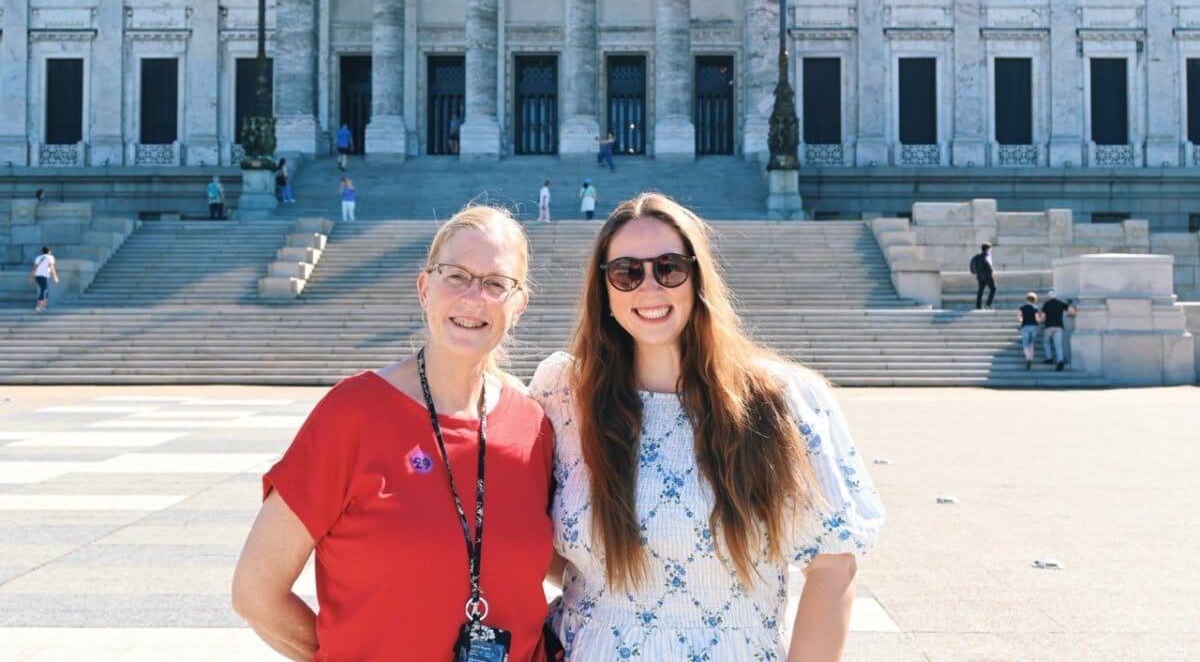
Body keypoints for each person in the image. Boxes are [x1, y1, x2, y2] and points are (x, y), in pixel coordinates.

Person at [529, 192, 884, 660]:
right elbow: (542, 541)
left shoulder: (780, 400)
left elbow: (833, 567)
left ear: (697, 277)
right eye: (627, 272)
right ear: (605, 290)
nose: (649, 287)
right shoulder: (563, 392)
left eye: (669, 267)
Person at [233, 205, 554, 661]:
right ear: (425, 288)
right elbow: (256, 593)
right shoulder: (353, 414)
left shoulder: (532, 426)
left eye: (495, 283)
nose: (473, 297)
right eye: (456, 276)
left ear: (518, 305)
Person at [1038, 288, 1076, 371]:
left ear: (1049, 296)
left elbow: (1043, 316)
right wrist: (1071, 315)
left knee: (1046, 342)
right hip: (1059, 326)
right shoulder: (1060, 303)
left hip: (1049, 326)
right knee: (1058, 345)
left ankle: (1049, 358)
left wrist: (1038, 322)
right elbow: (1071, 310)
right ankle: (1060, 361)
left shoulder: (1046, 304)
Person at [28, 245, 59, 313]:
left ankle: (44, 305)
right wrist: (55, 277)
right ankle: (39, 305)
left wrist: (31, 276)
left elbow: (34, 268)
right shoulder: (50, 257)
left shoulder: (38, 257)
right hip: (44, 276)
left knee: (45, 290)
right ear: (49, 251)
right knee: (44, 290)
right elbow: (52, 267)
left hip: (38, 276)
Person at [1017, 292, 1040, 370]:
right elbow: (1037, 319)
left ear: (1027, 299)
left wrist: (1022, 320)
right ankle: (1031, 359)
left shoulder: (1022, 308)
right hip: (1034, 327)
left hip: (1025, 326)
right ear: (1034, 300)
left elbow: (1018, 317)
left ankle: (1028, 358)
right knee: (1031, 344)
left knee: (1025, 344)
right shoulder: (1035, 308)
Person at [970, 242, 995, 309]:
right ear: (987, 249)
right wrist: (992, 271)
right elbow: (987, 263)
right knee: (993, 288)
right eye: (990, 248)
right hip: (987, 276)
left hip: (979, 276)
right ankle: (988, 304)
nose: (991, 250)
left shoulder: (978, 256)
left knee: (980, 290)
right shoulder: (987, 255)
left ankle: (978, 306)